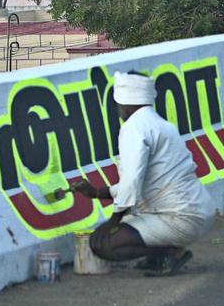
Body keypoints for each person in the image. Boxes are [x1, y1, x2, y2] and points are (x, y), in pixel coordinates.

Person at [70, 71, 216, 276]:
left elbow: (132, 181)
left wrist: (113, 221)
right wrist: (95, 192)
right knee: (126, 225)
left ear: (125, 102)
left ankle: (170, 252)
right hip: (196, 211)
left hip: (180, 217)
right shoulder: (160, 124)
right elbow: (143, 182)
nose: (118, 108)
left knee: (103, 244)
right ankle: (162, 253)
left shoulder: (134, 128)